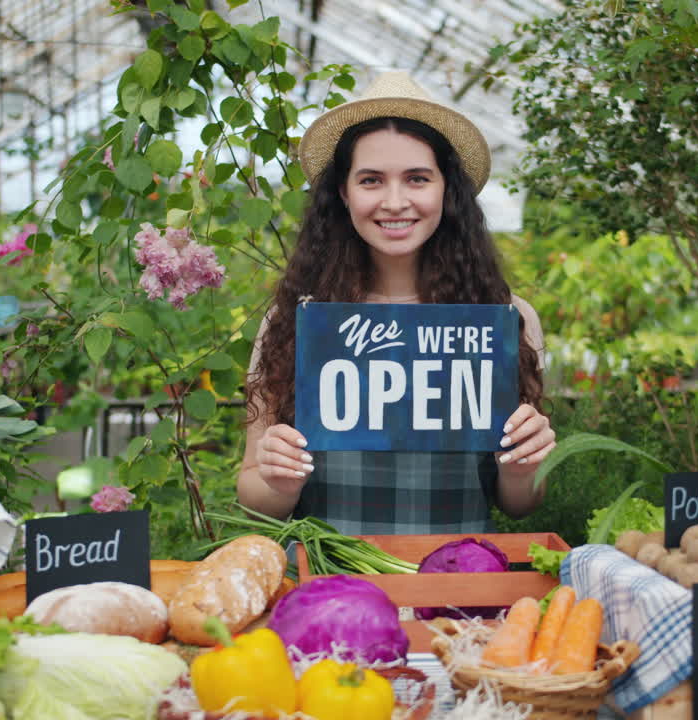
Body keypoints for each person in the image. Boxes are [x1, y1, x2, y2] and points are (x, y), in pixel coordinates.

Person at [237, 71, 555, 534]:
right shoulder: (292, 323)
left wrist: (522, 469)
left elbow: (522, 505)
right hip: (330, 590)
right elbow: (253, 499)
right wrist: (278, 481)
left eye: (417, 179)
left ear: (447, 190)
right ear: (343, 193)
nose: (394, 201)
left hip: (454, 594)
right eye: (371, 180)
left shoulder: (508, 322)